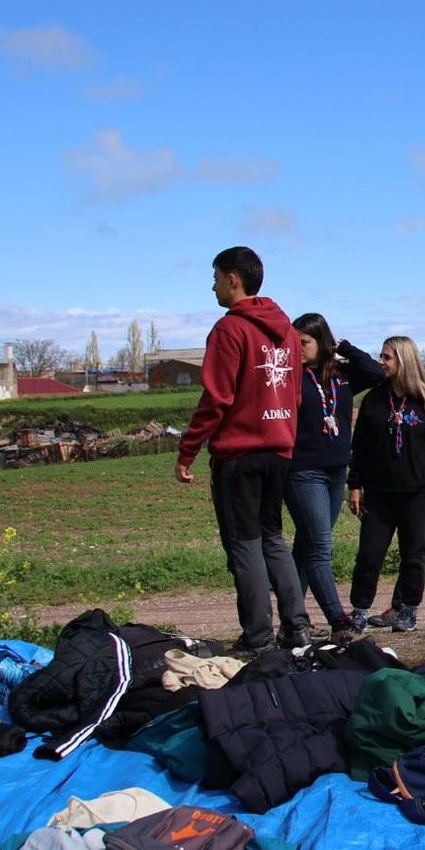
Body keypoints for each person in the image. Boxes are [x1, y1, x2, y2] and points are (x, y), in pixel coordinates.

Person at [175, 246, 311, 653]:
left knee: (245, 542)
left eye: (216, 277)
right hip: (280, 449)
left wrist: (188, 450)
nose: (213, 286)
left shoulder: (229, 330)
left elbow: (217, 397)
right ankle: (297, 626)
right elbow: (295, 392)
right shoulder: (286, 330)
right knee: (273, 537)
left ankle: (257, 636)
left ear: (233, 278)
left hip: (240, 452)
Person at [346, 336, 425, 633]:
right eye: (381, 356)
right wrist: (355, 485)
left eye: (387, 357)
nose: (381, 362)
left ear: (404, 361)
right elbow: (359, 447)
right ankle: (359, 610)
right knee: (369, 555)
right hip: (380, 494)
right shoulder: (373, 400)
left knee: (413, 555)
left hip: (417, 494)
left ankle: (408, 611)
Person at [282, 314, 384, 641]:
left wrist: (345, 347)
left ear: (322, 343)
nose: (298, 349)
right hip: (302, 471)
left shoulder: (342, 374)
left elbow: (376, 372)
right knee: (320, 548)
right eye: (294, 342)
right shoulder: (290, 378)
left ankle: (291, 622)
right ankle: (339, 620)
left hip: (336, 471)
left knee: (306, 545)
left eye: (305, 343)